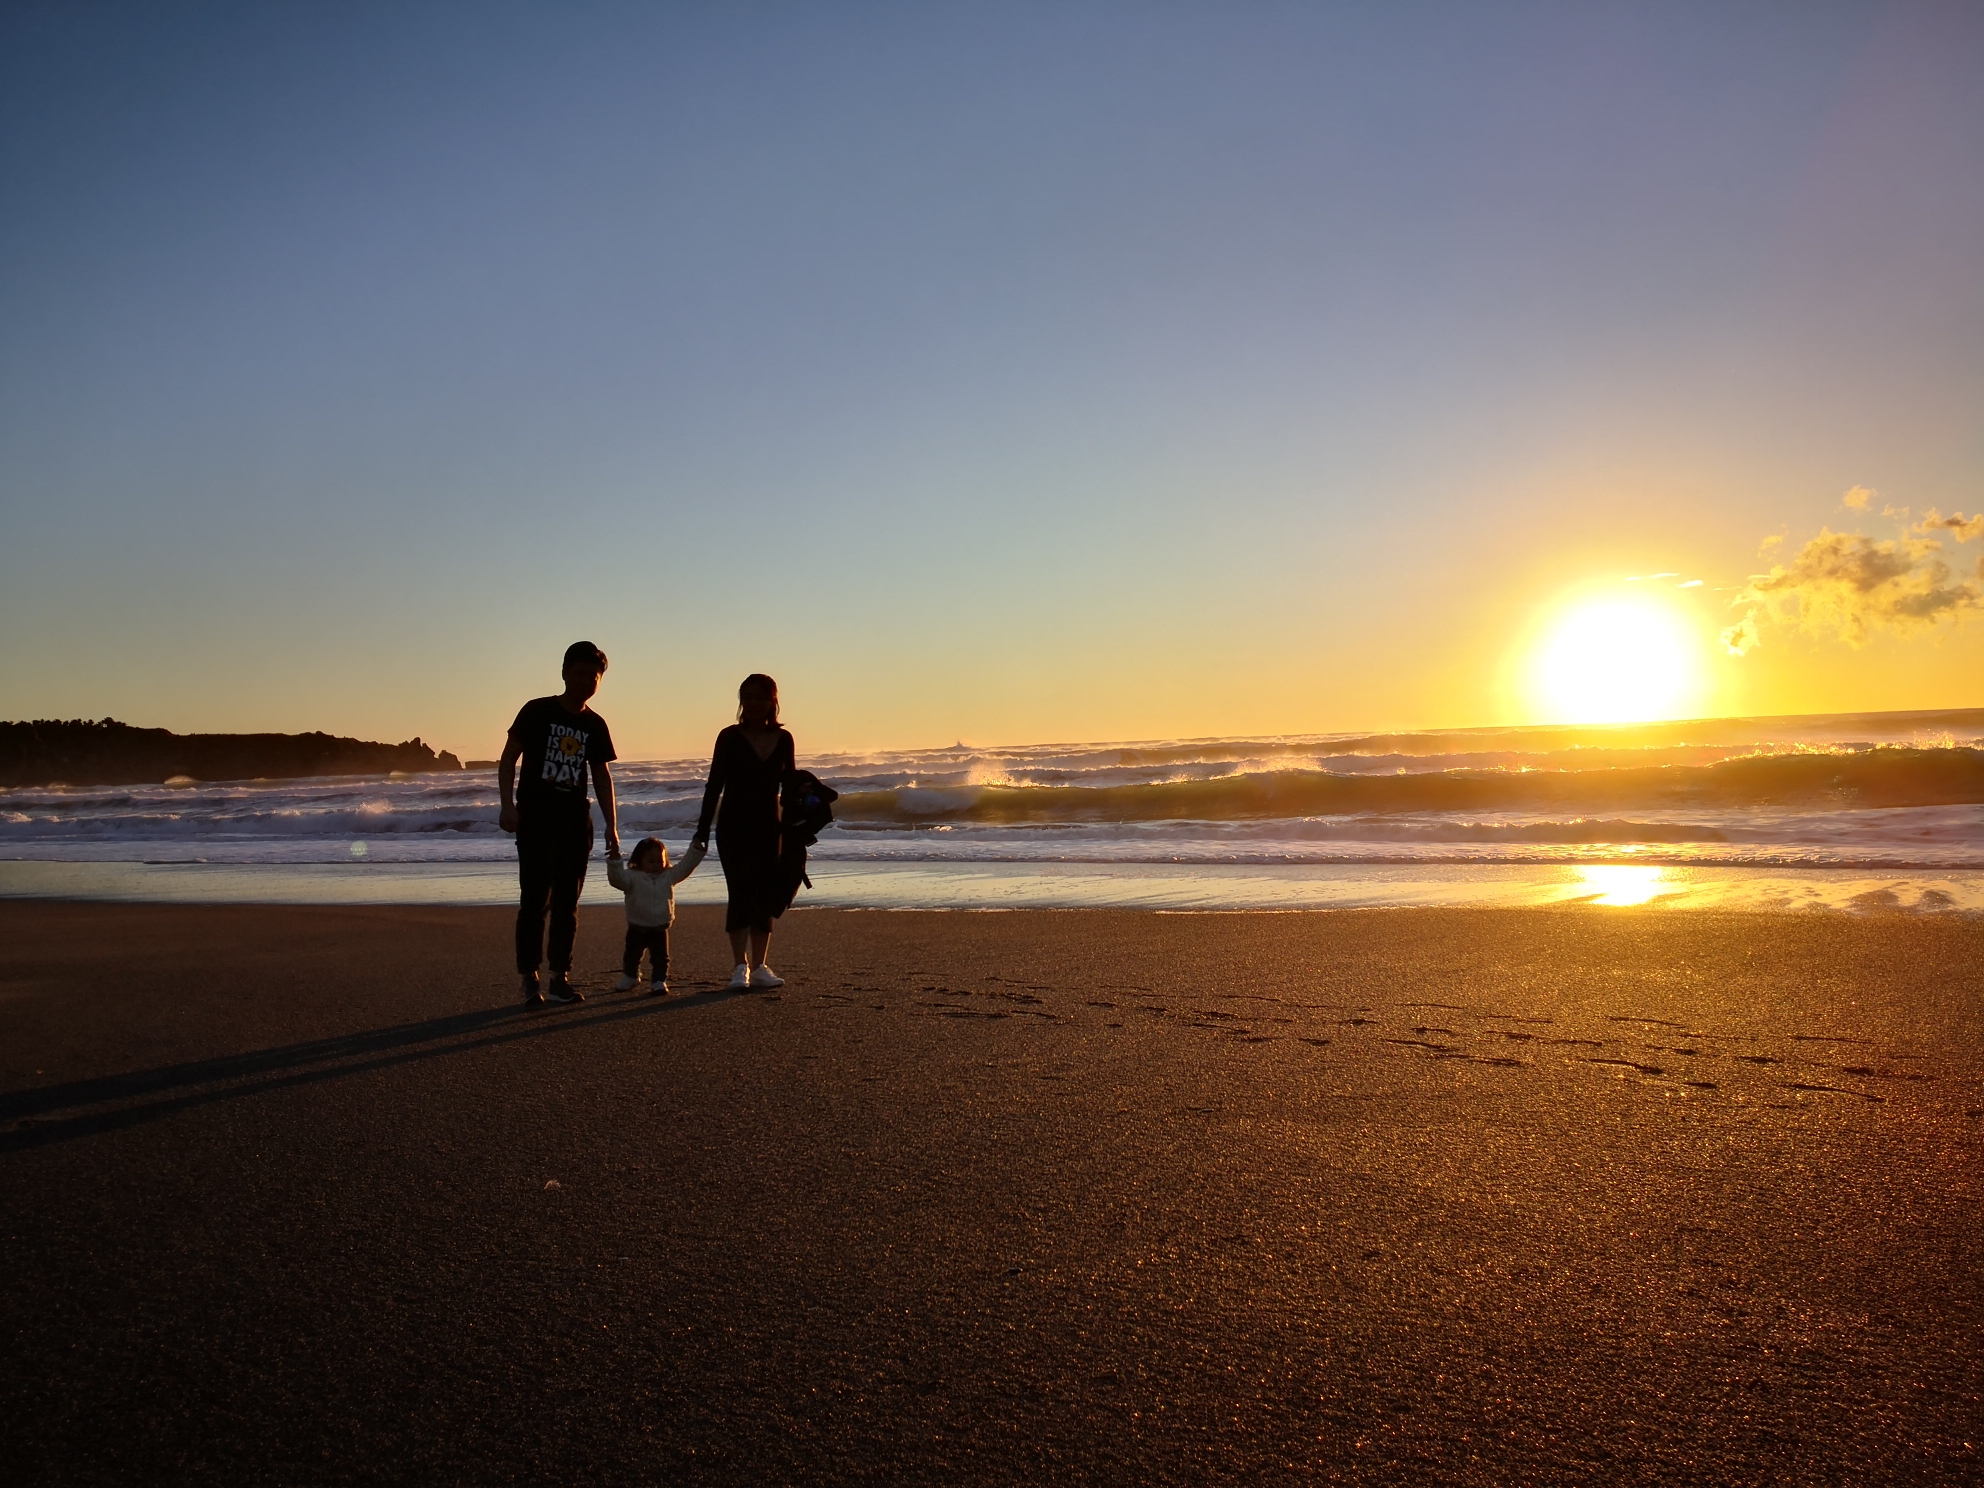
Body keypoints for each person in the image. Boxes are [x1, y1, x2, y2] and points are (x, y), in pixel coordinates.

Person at [499, 641, 618, 1005]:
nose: (585, 680)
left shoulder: (595, 724)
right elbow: (507, 761)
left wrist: (611, 824)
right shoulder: (537, 711)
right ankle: (529, 978)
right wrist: (507, 806)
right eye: (579, 673)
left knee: (568, 902)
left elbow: (601, 775)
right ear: (565, 672)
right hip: (535, 819)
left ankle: (559, 977)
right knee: (535, 900)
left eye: (593, 676)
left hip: (574, 824)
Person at [692, 673, 795, 990]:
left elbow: (790, 787)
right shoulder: (729, 737)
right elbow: (714, 786)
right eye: (746, 697)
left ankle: (761, 965)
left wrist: (797, 829)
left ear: (772, 701)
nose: (752, 703)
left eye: (759, 697)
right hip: (733, 826)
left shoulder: (784, 738)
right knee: (739, 893)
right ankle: (741, 967)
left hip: (769, 826)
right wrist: (702, 830)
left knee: (766, 894)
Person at [605, 836, 705, 995]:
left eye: (660, 861)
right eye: (651, 861)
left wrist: (696, 850)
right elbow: (616, 880)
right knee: (631, 955)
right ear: (638, 861)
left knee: (660, 958)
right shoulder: (631, 877)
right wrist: (615, 863)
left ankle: (659, 980)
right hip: (637, 925)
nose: (656, 866)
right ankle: (630, 976)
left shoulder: (668, 876)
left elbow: (685, 867)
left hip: (659, 926)